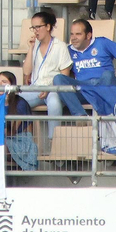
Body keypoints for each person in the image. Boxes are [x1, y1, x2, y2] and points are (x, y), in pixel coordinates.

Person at [18, 8, 79, 138]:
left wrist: (49, 88)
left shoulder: (60, 46)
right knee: (15, 101)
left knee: (54, 103)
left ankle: (53, 141)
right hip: (36, 88)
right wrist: (30, 48)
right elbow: (26, 71)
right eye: (33, 28)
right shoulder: (35, 46)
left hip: (54, 89)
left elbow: (64, 76)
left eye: (38, 27)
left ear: (48, 27)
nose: (35, 31)